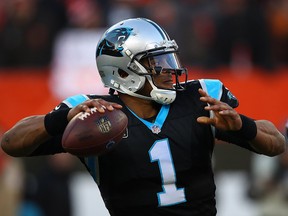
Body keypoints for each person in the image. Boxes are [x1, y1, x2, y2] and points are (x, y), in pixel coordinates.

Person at [0, 18, 286, 216]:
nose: (169, 71)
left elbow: (276, 144)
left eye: (169, 59)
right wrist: (60, 120)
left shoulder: (200, 96)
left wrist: (243, 127)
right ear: (122, 71)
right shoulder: (94, 112)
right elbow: (11, 142)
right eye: (157, 63)